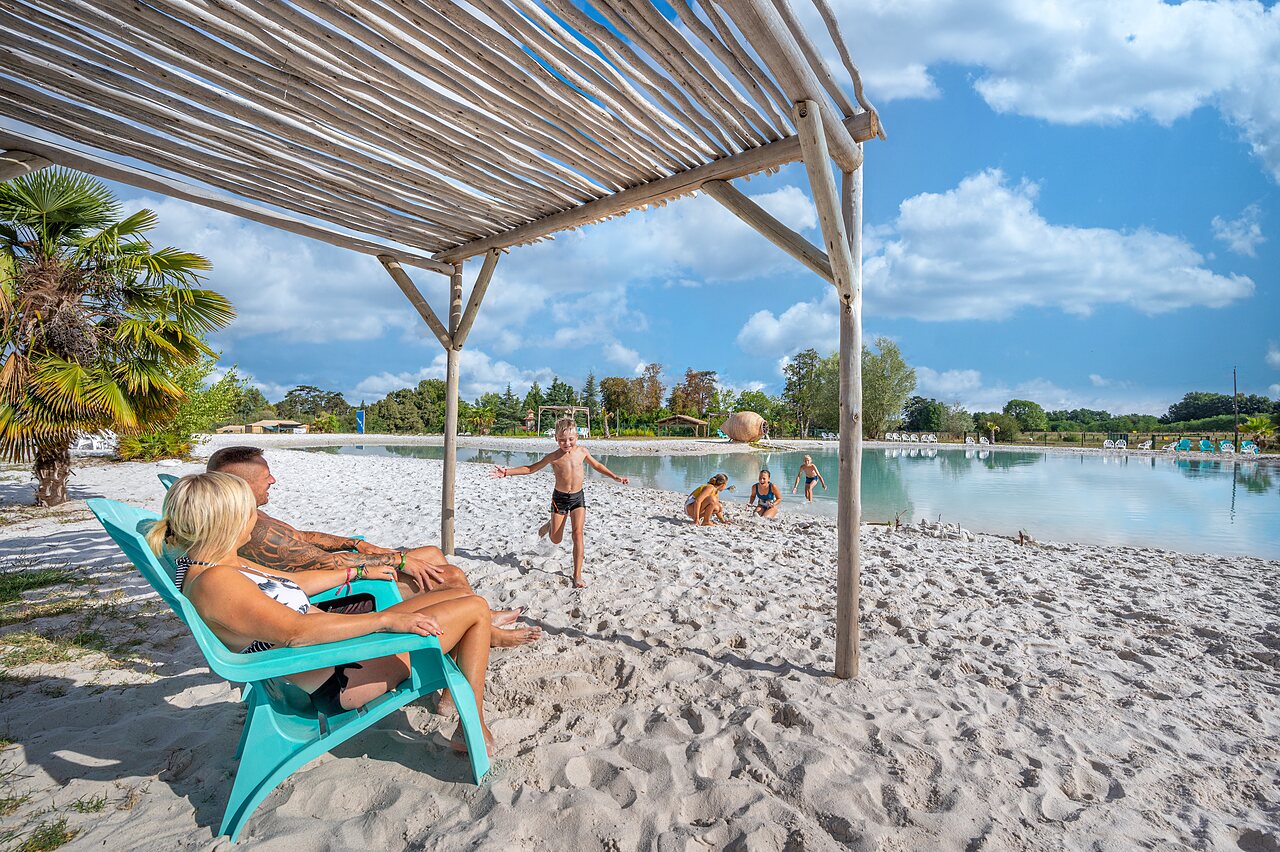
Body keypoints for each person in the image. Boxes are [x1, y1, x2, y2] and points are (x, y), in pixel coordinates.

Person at [147, 472, 496, 755]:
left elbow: (291, 581)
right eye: (248, 511)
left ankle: (465, 707)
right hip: (346, 673)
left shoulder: (213, 561)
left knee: (453, 594)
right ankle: (473, 728)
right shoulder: (216, 582)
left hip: (338, 651)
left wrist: (355, 573)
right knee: (475, 609)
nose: (255, 518)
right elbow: (297, 631)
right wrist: (386, 620)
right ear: (229, 522)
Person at [206, 446, 538, 648]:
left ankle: (481, 621)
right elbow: (323, 566)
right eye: (266, 476)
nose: (273, 481)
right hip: (342, 593)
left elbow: (305, 538)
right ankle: (481, 628)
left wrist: (356, 542)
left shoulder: (245, 516)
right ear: (240, 485)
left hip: (340, 575)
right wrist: (396, 560)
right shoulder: (259, 534)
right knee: (445, 571)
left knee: (434, 557)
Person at [490, 418, 629, 588]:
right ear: (556, 439)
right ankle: (550, 525)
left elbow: (597, 465)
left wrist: (615, 477)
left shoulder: (582, 452)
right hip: (560, 499)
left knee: (578, 534)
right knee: (556, 539)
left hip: (578, 498)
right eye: (562, 440)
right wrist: (507, 472)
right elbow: (530, 468)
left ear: (577, 437)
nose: (567, 443)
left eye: (570, 439)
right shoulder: (553, 457)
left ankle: (577, 575)